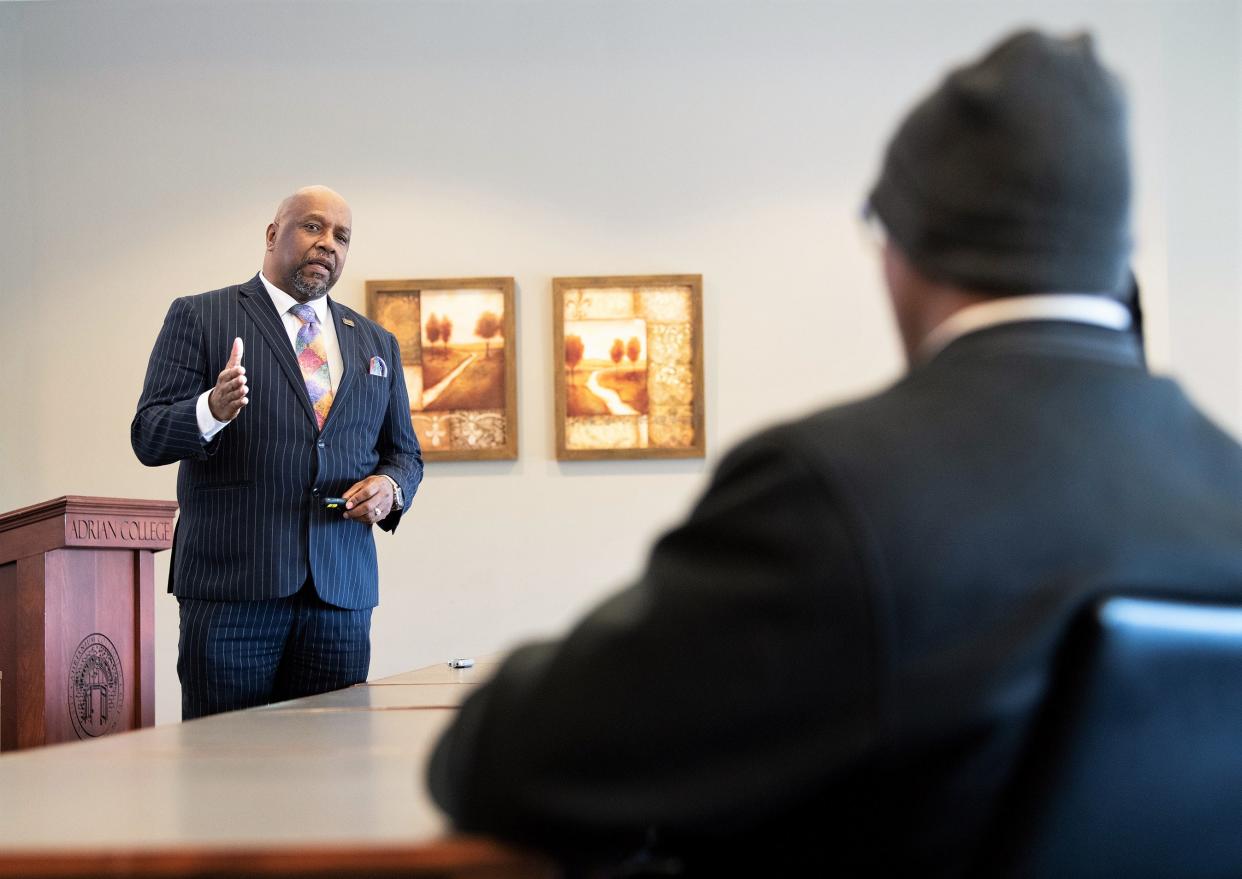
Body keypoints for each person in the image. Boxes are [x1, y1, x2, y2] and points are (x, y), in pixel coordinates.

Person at [426, 31, 1242, 875]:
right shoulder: (1231, 487)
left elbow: (516, 762)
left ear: (901, 251)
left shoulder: (833, 492)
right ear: (1114, 258)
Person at [132, 185, 423, 720]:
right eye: (313, 227)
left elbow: (404, 454)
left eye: (341, 236)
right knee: (224, 769)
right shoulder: (202, 316)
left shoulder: (375, 342)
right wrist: (211, 410)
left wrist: (391, 488)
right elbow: (148, 434)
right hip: (232, 592)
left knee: (332, 777)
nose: (327, 244)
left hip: (339, 596)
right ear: (273, 234)